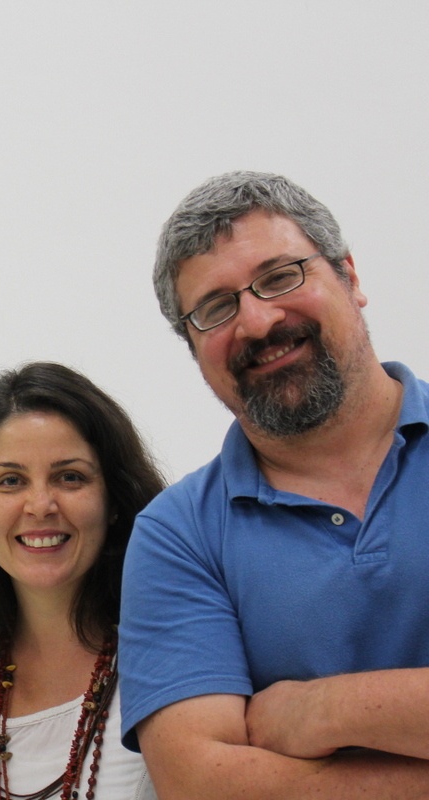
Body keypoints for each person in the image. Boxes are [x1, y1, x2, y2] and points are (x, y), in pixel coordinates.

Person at [119, 170, 429, 798]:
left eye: (280, 276)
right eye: (216, 309)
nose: (257, 321)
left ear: (350, 277)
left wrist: (320, 710)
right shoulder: (176, 536)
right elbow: (201, 783)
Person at [0, 363, 165, 800]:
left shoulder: (167, 660)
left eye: (70, 477)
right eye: (11, 480)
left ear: (113, 501)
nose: (41, 504)